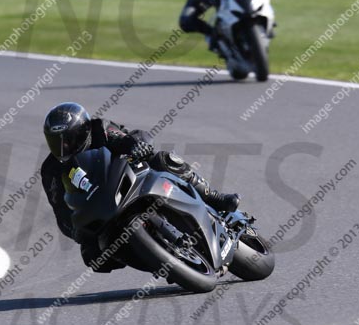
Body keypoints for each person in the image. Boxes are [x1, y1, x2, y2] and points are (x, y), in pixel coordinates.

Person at [41, 102, 240, 272]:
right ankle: (160, 261)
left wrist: (137, 145)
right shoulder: (51, 170)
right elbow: (60, 209)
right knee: (93, 257)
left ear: (83, 130)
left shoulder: (99, 128)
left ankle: (213, 196)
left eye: (69, 140)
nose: (63, 147)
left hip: (131, 176)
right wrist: (74, 231)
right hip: (100, 208)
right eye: (56, 142)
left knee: (163, 160)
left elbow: (127, 137)